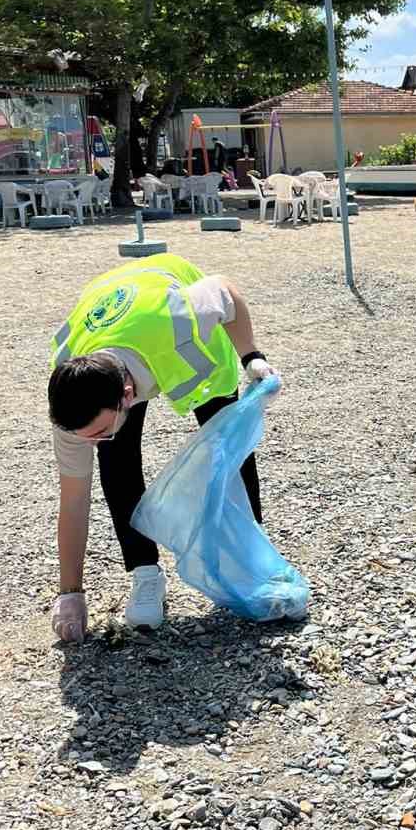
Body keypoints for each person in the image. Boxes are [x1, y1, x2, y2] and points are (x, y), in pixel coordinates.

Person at [47, 254, 277, 640]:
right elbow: (73, 503)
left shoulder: (180, 319)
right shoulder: (73, 399)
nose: (93, 440)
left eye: (101, 429)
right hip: (111, 308)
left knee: (229, 451)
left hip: (162, 318)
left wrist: (251, 356)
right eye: (87, 435)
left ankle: (252, 564)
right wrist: (70, 592)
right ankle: (145, 574)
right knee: (116, 464)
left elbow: (227, 291)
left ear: (126, 394)